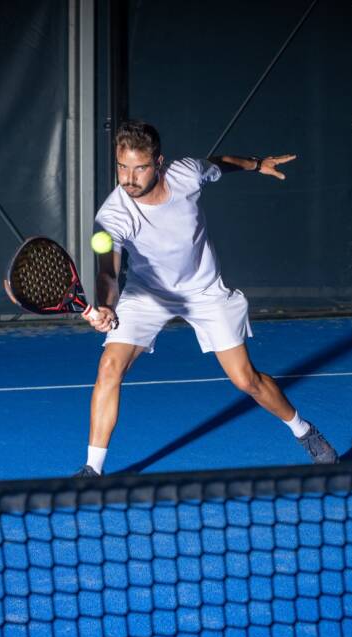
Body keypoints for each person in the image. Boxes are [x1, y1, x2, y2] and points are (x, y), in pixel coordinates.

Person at [75, 120, 338, 477]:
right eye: (122, 167)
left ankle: (303, 430)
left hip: (204, 292)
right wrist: (105, 304)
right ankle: (93, 469)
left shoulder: (186, 173)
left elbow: (221, 162)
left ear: (159, 163)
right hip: (148, 294)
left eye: (139, 168)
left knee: (246, 380)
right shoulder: (113, 215)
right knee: (109, 366)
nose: (129, 178)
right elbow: (109, 270)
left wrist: (257, 163)